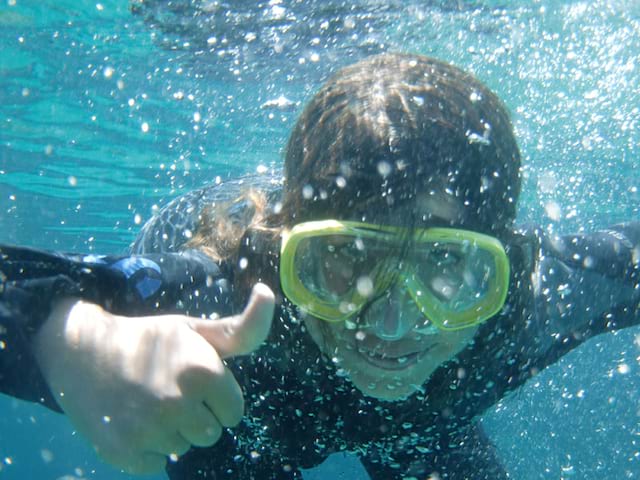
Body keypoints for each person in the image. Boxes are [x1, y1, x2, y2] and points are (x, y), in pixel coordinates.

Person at [1, 53, 639, 480]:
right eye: (343, 258)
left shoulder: (537, 296)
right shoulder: (225, 297)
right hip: (237, 417)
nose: (389, 324)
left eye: (448, 265)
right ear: (284, 254)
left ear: (507, 269)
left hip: (427, 426)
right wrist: (72, 339)